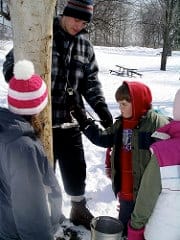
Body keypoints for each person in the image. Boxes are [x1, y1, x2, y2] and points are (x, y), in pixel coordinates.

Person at [3, 0, 113, 230]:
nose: (79, 25)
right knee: (42, 175)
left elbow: (90, 81)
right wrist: (19, 78)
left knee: (76, 168)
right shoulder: (40, 33)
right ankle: (44, 214)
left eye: (84, 22)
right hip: (38, 122)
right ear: (65, 14)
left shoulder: (85, 45)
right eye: (76, 19)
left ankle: (78, 208)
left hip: (71, 120)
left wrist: (100, 106)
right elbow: (11, 62)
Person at [70, 80, 170, 237]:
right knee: (124, 228)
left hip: (147, 194)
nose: (120, 108)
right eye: (119, 103)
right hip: (125, 190)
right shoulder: (121, 125)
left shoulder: (157, 125)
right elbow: (103, 139)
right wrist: (84, 121)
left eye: (124, 103)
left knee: (147, 230)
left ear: (138, 102)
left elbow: (168, 159)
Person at [0, 60, 65, 240]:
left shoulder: (5, 130)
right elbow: (30, 211)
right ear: (38, 106)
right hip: (18, 233)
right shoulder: (23, 149)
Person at [127, 88, 180, 240]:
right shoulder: (123, 124)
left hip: (162, 232)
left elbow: (146, 197)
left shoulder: (164, 150)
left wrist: (135, 229)